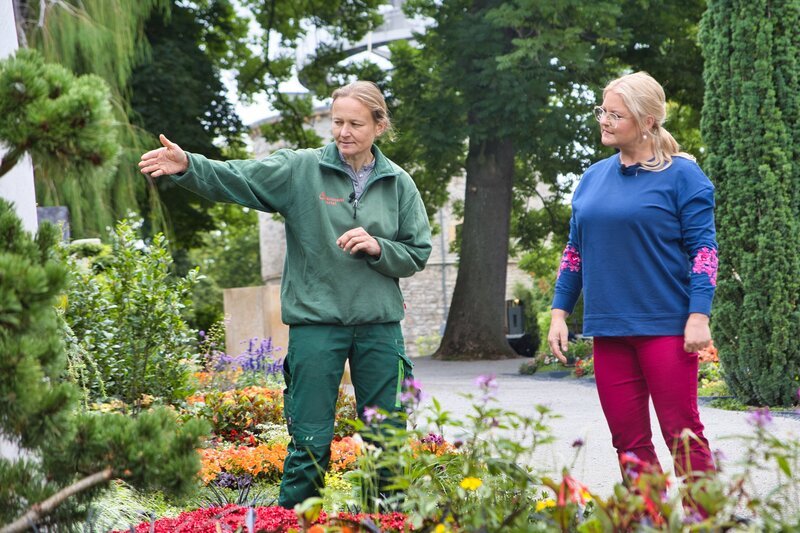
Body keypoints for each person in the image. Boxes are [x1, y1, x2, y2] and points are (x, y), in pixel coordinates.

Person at [139, 80, 432, 508]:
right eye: (337, 122)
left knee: (386, 444)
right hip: (316, 327)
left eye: (354, 123)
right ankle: (295, 521)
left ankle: (385, 520)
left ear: (379, 125)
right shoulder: (300, 170)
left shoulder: (398, 183)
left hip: (379, 328)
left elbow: (417, 252)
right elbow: (239, 176)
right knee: (309, 443)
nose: (343, 132)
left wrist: (378, 247)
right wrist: (189, 165)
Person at [548, 72, 717, 485]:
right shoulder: (591, 178)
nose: (604, 120)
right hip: (609, 329)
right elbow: (575, 252)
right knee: (628, 440)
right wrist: (559, 312)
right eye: (602, 111)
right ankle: (648, 522)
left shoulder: (683, 176)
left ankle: (709, 521)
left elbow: (704, 252)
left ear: (646, 121)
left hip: (665, 327)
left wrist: (699, 315)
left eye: (615, 114)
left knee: (683, 435)